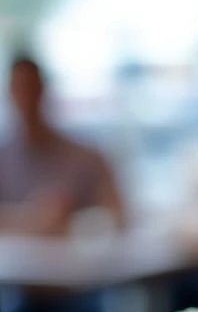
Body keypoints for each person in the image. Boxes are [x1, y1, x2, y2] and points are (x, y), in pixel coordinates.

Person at [0, 54, 125, 234]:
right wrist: (32, 217)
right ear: (9, 94)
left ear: (43, 90)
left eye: (31, 87)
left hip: (74, 260)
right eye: (19, 88)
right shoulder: (3, 158)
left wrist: (74, 220)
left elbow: (118, 214)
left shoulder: (86, 158)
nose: (25, 97)